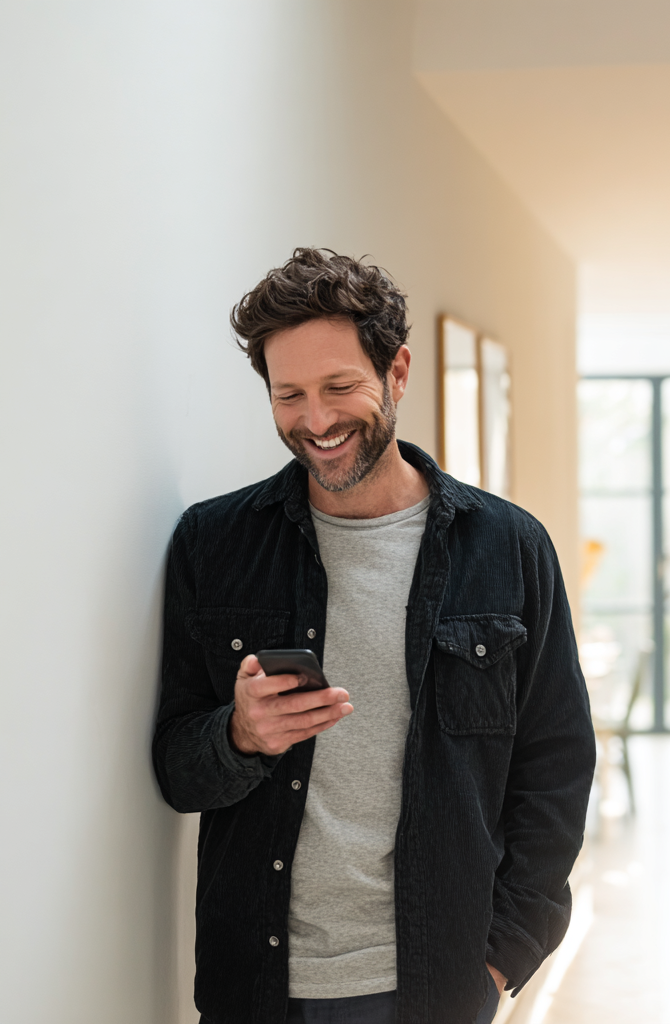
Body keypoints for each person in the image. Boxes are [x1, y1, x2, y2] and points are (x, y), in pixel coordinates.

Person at [152, 248, 596, 1024]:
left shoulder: (509, 548)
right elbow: (176, 769)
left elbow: (555, 768)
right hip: (254, 987)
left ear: (396, 373)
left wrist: (502, 956)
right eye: (288, 395)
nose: (315, 421)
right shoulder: (213, 545)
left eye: (339, 387)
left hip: (437, 983)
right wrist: (240, 736)